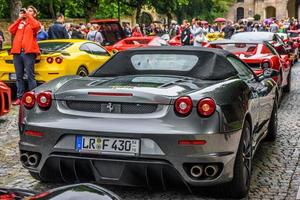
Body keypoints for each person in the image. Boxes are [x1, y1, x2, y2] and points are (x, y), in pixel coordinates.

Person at [8, 6, 40, 105]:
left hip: (28, 53)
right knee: (19, 76)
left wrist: (28, 16)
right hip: (17, 52)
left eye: (30, 11)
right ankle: (20, 97)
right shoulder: (20, 23)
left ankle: (33, 97)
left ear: (34, 14)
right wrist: (19, 18)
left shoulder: (35, 23)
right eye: (27, 11)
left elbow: (36, 27)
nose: (27, 12)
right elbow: (11, 30)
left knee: (30, 76)